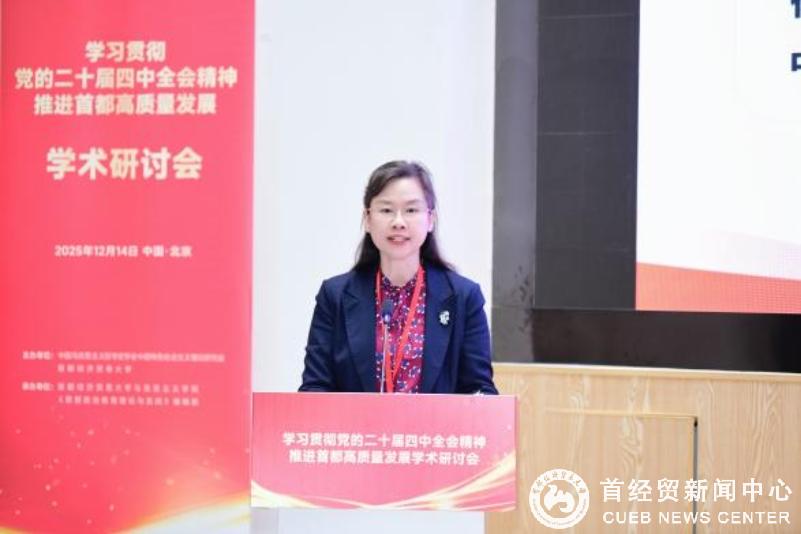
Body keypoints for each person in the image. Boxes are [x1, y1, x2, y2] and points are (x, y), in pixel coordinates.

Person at [299, 160, 498, 394]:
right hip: (359, 421)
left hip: (435, 421)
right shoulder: (335, 296)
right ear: (368, 219)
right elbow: (315, 388)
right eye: (386, 210)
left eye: (411, 210)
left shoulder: (464, 298)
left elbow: (480, 391)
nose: (398, 222)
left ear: (430, 219)